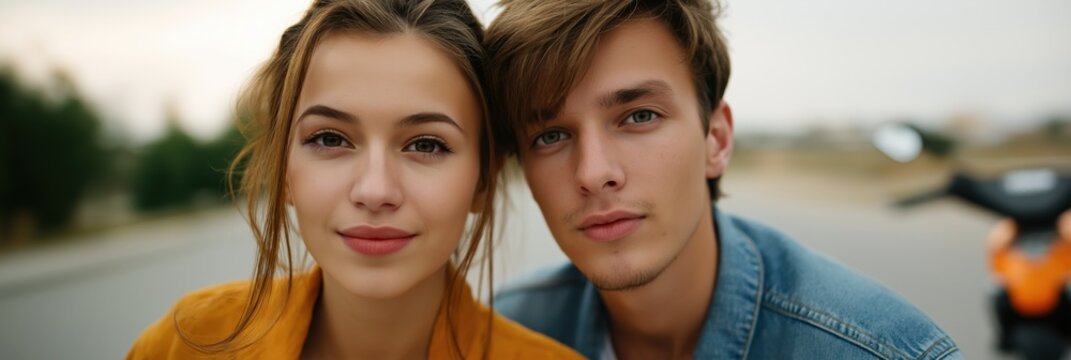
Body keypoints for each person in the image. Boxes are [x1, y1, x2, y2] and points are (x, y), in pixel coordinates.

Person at [484, 0, 963, 358]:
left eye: (639, 116)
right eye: (550, 136)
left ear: (715, 139)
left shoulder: (879, 351)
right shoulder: (503, 336)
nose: (593, 174)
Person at [127, 0, 581, 358]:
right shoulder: (185, 344)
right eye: (329, 139)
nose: (375, 191)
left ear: (484, 180)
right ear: (283, 170)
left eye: (426, 144)